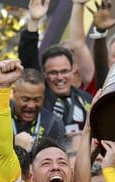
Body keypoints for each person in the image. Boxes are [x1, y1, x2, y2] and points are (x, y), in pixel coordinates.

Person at [18, 0, 93, 134]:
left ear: (73, 70)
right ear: (44, 74)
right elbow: (28, 57)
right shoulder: (40, 96)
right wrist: (34, 22)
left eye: (64, 71)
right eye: (53, 72)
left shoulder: (87, 99)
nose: (59, 77)